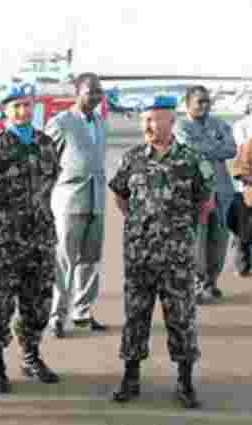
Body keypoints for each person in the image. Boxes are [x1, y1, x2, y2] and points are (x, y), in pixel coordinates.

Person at [109, 95, 214, 409]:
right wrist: (142, 225)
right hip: (139, 255)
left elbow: (205, 202)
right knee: (135, 316)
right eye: (144, 120)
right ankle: (130, 378)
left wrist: (181, 232)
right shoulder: (132, 158)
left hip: (177, 257)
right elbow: (121, 197)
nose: (147, 125)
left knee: (181, 318)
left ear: (170, 121)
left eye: (153, 119)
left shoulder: (191, 160)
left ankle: (185, 381)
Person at [0, 83, 61, 396]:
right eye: (16, 106)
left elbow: (51, 180)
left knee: (38, 303)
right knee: (0, 305)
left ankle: (30, 356)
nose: (22, 111)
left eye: (26, 105)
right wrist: (3, 212)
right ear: (5, 110)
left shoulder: (46, 144)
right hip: (4, 242)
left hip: (40, 239)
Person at [45, 72, 108, 337]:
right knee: (64, 262)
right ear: (77, 92)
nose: (96, 96)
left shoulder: (101, 123)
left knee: (90, 261)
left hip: (96, 201)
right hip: (69, 201)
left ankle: (82, 312)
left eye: (99, 91)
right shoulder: (61, 123)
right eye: (90, 91)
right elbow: (46, 161)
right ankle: (56, 317)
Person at [175, 85, 236, 303]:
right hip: (196, 191)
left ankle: (211, 282)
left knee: (219, 240)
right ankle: (197, 284)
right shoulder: (181, 126)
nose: (204, 105)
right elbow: (189, 150)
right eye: (199, 101)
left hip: (222, 190)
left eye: (207, 101)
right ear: (187, 104)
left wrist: (204, 147)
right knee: (197, 240)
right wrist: (215, 145)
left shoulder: (219, 123)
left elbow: (231, 149)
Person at [231, 102, 252, 276]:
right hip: (246, 192)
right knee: (243, 231)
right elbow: (239, 169)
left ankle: (242, 266)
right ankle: (242, 266)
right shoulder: (241, 127)